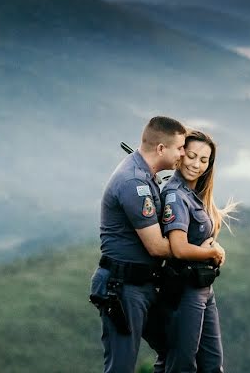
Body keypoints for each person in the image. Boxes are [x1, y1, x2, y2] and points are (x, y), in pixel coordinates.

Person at [91, 116, 215, 373]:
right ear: (161, 149)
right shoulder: (133, 182)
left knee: (174, 350)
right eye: (180, 148)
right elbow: (158, 247)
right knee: (121, 366)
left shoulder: (147, 176)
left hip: (145, 284)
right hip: (123, 287)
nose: (183, 154)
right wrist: (201, 250)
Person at [159, 130, 235, 373]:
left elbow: (207, 234)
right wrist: (212, 254)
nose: (196, 164)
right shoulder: (175, 195)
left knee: (212, 365)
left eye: (204, 160)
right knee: (182, 365)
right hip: (184, 289)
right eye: (192, 156)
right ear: (181, 154)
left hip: (204, 288)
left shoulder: (198, 194)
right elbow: (179, 249)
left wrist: (213, 247)